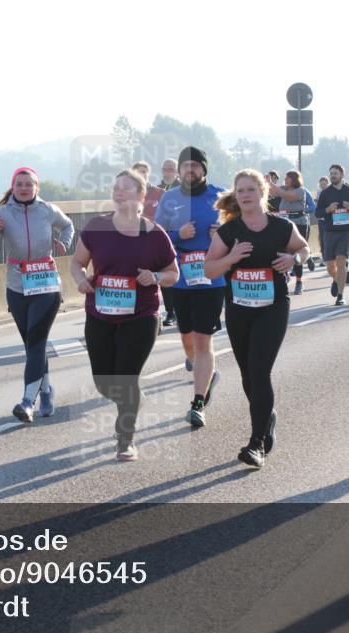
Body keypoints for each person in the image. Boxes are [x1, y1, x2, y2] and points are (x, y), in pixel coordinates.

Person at [204, 169, 309, 468]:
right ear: (236, 196)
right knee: (248, 376)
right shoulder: (229, 232)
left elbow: (304, 248)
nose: (246, 195)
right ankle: (268, 416)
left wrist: (294, 259)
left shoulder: (281, 227)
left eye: (251, 189)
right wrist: (231, 258)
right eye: (241, 191)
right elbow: (209, 270)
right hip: (239, 310)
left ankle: (256, 444)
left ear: (263, 193)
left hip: (272, 308)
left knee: (260, 372)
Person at [71, 169, 179, 461]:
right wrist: (81, 279)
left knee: (126, 377)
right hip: (100, 312)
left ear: (142, 195)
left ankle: (125, 437)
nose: (118, 193)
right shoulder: (96, 227)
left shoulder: (156, 235)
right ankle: (133, 402)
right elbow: (78, 263)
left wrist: (155, 276)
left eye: (126, 189)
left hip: (141, 315)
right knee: (104, 381)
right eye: (115, 188)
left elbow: (173, 274)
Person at [0, 167, 74, 422]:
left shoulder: (47, 210)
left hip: (46, 284)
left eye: (28, 184)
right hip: (17, 285)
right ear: (13, 186)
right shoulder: (3, 213)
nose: (23, 188)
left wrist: (65, 242)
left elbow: (68, 225)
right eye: (19, 184)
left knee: (37, 342)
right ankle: (47, 390)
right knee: (33, 345)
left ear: (36, 187)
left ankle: (27, 401)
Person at [155, 146, 226, 427]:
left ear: (204, 169)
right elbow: (156, 236)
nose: (190, 170)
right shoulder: (169, 198)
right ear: (180, 170)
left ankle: (198, 402)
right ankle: (206, 374)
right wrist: (177, 234)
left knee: (202, 339)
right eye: (186, 166)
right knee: (186, 338)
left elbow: (239, 229)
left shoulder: (221, 197)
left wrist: (223, 233)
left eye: (196, 166)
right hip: (180, 279)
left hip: (212, 279)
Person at [315, 164, 349, 305]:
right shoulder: (325, 193)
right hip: (329, 232)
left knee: (341, 260)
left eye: (335, 173)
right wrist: (328, 209)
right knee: (330, 265)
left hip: (346, 231)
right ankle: (336, 279)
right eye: (331, 173)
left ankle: (340, 296)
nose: (332, 175)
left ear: (342, 175)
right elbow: (317, 213)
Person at [268, 170, 311, 294]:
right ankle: (285, 275)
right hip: (284, 224)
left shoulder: (300, 190)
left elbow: (286, 195)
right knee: (281, 250)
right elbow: (272, 191)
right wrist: (267, 183)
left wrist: (271, 183)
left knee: (297, 251)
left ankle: (299, 281)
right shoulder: (282, 188)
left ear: (294, 179)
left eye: (287, 178)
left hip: (299, 223)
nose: (285, 180)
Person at [158, 159, 180, 324]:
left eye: (171, 169)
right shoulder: (157, 190)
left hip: (180, 237)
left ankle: (180, 310)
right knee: (164, 276)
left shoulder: (184, 189)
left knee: (179, 275)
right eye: (165, 169)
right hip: (161, 238)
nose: (167, 172)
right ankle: (170, 312)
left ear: (177, 171)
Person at [132, 161, 165, 233]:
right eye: (138, 172)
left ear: (148, 174)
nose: (141, 174)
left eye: (144, 172)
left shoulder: (161, 193)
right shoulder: (129, 195)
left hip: (157, 233)